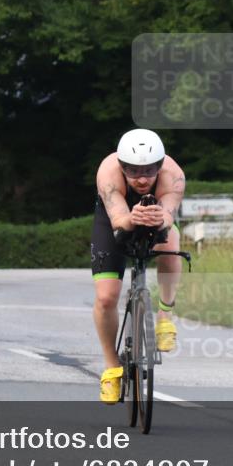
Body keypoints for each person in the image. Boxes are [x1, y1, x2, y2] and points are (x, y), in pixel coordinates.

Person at [92, 129, 185, 404]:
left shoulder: (173, 175)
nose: (142, 179)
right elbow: (119, 221)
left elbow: (168, 217)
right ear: (122, 166)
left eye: (149, 171)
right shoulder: (108, 173)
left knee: (171, 244)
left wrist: (159, 219)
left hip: (156, 215)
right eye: (133, 171)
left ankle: (165, 316)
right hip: (116, 218)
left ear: (160, 165)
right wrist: (132, 219)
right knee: (106, 297)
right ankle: (112, 368)